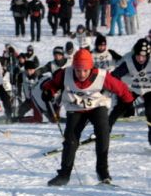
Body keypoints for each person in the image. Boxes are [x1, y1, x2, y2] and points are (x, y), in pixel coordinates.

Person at [42, 49, 133, 186]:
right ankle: (64, 175)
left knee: (103, 133)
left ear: (91, 67)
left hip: (97, 106)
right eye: (78, 70)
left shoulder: (102, 76)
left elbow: (120, 88)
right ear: (74, 67)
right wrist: (48, 91)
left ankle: (103, 172)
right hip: (75, 108)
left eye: (85, 70)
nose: (81, 74)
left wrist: (128, 102)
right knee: (70, 140)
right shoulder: (65, 74)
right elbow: (52, 85)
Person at [109, 38, 151, 146]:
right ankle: (104, 131)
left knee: (150, 113)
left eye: (144, 56)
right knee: (119, 107)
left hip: (149, 90)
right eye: (138, 56)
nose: (141, 59)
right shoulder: (129, 61)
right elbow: (115, 75)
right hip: (134, 88)